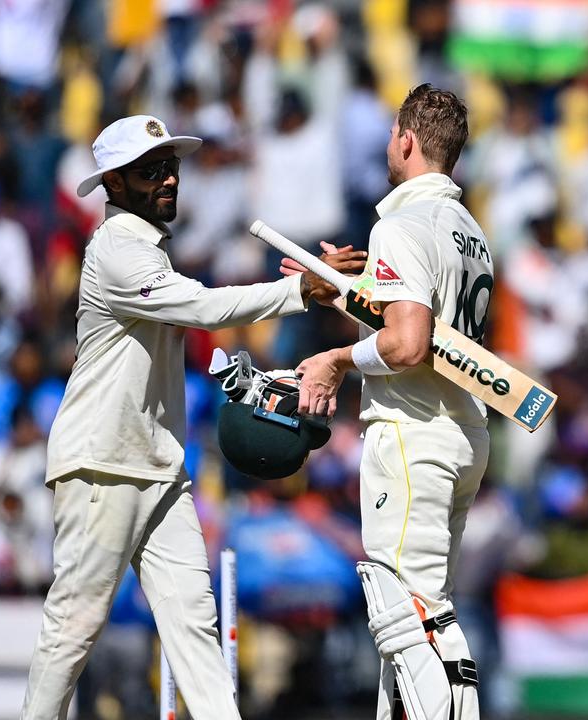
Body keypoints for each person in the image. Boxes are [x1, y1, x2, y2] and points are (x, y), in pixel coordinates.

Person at [22, 115, 364, 720]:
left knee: (193, 623)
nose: (169, 180)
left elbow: (205, 316)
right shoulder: (117, 248)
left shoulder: (148, 247)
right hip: (103, 463)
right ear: (114, 186)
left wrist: (307, 280)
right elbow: (204, 307)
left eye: (171, 167)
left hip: (157, 464)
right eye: (150, 171)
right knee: (75, 626)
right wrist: (298, 292)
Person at [292, 84, 491, 720]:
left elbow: (407, 342)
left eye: (389, 134)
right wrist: (345, 288)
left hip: (412, 432)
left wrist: (334, 359)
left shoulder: (402, 223)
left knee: (406, 617)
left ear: (405, 140)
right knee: (424, 619)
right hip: (461, 433)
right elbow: (425, 326)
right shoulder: (469, 230)